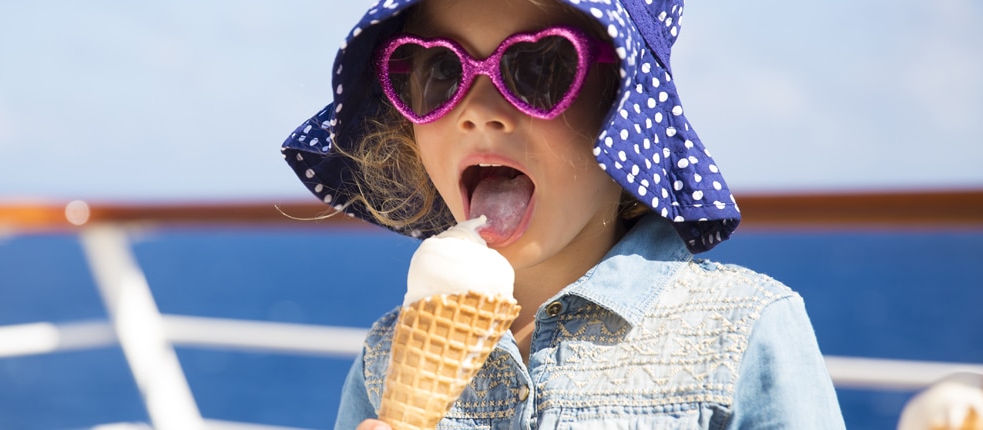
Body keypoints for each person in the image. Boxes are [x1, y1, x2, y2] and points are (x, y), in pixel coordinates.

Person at [279, 0, 845, 427]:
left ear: (625, 113)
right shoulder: (385, 362)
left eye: (539, 68)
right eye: (438, 72)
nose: (478, 112)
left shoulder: (743, 332)